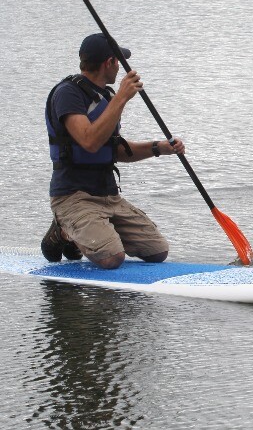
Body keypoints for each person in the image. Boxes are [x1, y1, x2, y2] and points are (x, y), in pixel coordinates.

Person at [42, 33, 185, 269]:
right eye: (118, 61)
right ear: (109, 63)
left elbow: (115, 149)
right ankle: (64, 231)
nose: (120, 66)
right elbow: (89, 142)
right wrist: (121, 98)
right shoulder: (68, 94)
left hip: (108, 195)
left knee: (157, 251)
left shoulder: (106, 97)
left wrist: (158, 148)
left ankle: (94, 231)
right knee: (111, 258)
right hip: (73, 196)